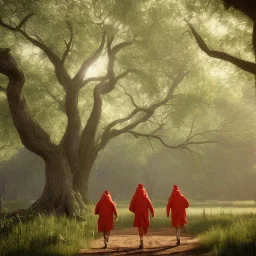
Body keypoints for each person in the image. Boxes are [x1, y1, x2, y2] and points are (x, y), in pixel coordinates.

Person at [129, 183, 154, 249]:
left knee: (140, 229)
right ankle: (142, 241)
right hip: (145, 215)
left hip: (138, 214)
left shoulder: (136, 195)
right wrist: (152, 213)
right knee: (144, 227)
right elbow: (150, 205)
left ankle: (141, 242)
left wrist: (134, 210)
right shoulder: (145, 195)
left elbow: (131, 205)